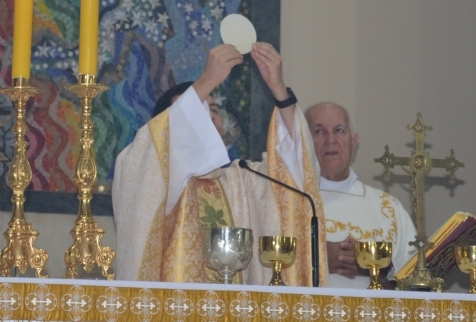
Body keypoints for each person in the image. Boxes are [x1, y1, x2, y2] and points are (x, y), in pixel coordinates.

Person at [113, 42, 327, 285]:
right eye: (196, 111)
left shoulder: (242, 180)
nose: (209, 118)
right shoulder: (149, 173)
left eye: (213, 110)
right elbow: (149, 151)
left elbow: (296, 174)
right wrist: (207, 80)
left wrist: (279, 90)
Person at [306, 102, 416, 289]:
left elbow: (415, 279)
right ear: (304, 143)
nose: (330, 139)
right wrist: (317, 258)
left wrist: (376, 266)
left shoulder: (388, 208)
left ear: (354, 142)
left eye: (339, 130)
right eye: (319, 131)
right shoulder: (289, 203)